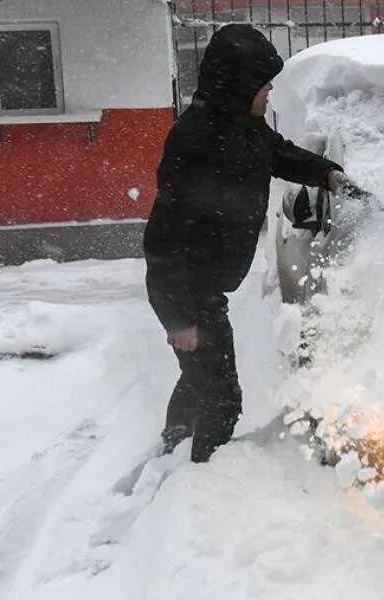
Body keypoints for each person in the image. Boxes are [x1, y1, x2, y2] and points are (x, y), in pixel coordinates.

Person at [143, 24, 344, 463]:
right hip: (188, 291)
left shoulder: (243, 126)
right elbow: (164, 235)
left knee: (200, 381)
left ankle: (173, 448)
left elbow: (280, 154)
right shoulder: (195, 138)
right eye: (263, 83)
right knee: (223, 400)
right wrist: (179, 318)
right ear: (239, 84)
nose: (270, 90)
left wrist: (327, 172)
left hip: (206, 289)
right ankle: (199, 478)